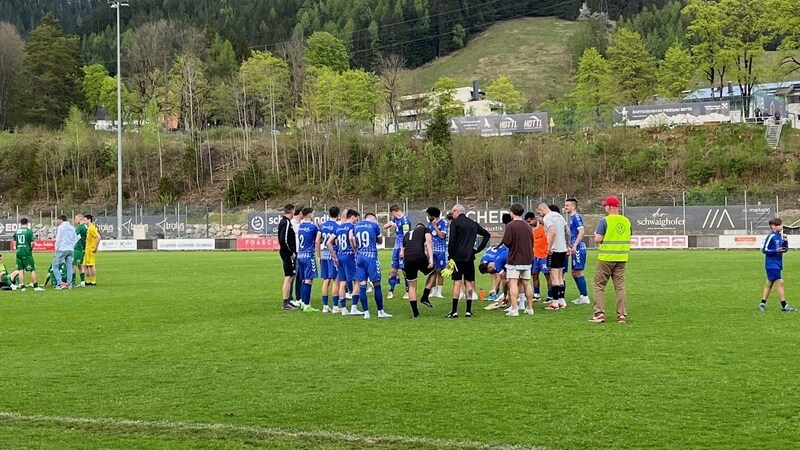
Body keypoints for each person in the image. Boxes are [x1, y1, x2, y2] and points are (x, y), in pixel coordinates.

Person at [589, 196, 632, 324]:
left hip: (606, 258)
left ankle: (599, 313)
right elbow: (629, 236)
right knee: (619, 287)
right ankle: (622, 315)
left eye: (605, 206)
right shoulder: (626, 221)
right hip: (621, 258)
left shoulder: (605, 221)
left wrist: (597, 235)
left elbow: (597, 238)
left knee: (599, 286)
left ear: (609, 207)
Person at [445, 204, 491, 318]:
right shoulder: (472, 223)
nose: (453, 216)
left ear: (456, 212)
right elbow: (486, 234)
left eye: (452, 213)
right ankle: (468, 310)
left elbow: (452, 241)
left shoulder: (455, 223)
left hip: (458, 257)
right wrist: (479, 249)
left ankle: (454, 311)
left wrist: (450, 256)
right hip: (469, 256)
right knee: (469, 282)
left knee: (457, 282)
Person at [498, 204, 534, 316]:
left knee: (513, 283)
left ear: (512, 212)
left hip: (515, 259)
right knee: (527, 284)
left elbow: (507, 242)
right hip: (527, 258)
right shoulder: (528, 226)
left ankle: (514, 309)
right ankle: (529, 308)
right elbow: (532, 241)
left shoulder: (510, 226)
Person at [354, 213, 392, 319]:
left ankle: (366, 312)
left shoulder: (357, 226)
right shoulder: (374, 225)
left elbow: (354, 241)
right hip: (371, 257)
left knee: (362, 285)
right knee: (376, 284)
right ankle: (380, 311)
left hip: (360, 257)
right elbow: (380, 241)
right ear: (373, 218)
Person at [759, 218, 796, 312]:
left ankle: (762, 304)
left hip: (778, 263)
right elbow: (764, 250)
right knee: (780, 282)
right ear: (773, 226)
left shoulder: (779, 236)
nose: (781, 226)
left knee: (769, 283)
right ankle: (784, 305)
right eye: (779, 225)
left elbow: (784, 249)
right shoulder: (771, 236)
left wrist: (785, 241)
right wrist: (775, 251)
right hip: (771, 264)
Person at [328, 209, 361, 316]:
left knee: (342, 282)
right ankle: (354, 308)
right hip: (349, 256)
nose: (356, 220)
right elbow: (351, 237)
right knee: (357, 280)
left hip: (340, 256)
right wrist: (355, 250)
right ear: (352, 217)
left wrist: (334, 256)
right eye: (356, 218)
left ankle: (343, 309)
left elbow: (328, 242)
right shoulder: (352, 227)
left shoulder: (338, 227)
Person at [401, 222, 436, 318]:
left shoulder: (407, 233)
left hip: (408, 259)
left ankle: (415, 312)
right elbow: (429, 242)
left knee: (411, 285)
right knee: (434, 271)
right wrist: (431, 259)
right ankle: (425, 296)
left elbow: (402, 252)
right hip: (419, 256)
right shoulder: (425, 229)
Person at [538, 203, 569, 310]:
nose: (540, 215)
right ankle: (562, 300)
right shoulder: (559, 216)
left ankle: (555, 303)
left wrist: (549, 247)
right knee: (560, 276)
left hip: (554, 250)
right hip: (563, 249)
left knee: (553, 276)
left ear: (542, 209)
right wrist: (567, 244)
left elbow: (552, 231)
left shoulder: (547, 217)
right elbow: (567, 231)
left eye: (539, 212)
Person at [417, 207, 448, 306]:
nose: (428, 217)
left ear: (433, 215)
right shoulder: (429, 223)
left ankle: (439, 291)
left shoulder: (443, 223)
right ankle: (433, 291)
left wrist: (435, 226)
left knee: (440, 271)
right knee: (432, 270)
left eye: (429, 215)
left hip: (441, 250)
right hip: (432, 251)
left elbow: (442, 236)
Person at [384, 205, 412, 299]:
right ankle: (391, 291)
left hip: (403, 247)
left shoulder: (405, 220)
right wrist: (390, 224)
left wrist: (402, 250)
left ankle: (408, 291)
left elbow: (406, 236)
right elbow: (386, 226)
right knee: (393, 270)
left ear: (394, 212)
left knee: (404, 270)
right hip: (396, 247)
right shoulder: (395, 219)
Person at [565, 198, 590, 305]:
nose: (565, 207)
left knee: (578, 272)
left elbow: (582, 231)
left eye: (567, 205)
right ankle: (582, 295)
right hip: (575, 247)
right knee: (574, 273)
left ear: (573, 206)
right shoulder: (571, 218)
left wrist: (575, 245)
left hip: (579, 248)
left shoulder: (576, 217)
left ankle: (585, 297)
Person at [296, 207, 320, 312]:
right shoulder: (313, 227)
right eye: (313, 214)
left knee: (303, 279)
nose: (314, 216)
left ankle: (302, 301)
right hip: (309, 255)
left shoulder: (301, 226)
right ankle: (306, 304)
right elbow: (318, 240)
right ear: (310, 215)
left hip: (300, 255)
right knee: (309, 280)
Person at [318, 206, 341, 313]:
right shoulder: (337, 226)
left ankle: (325, 306)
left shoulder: (323, 226)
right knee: (336, 280)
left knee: (326, 280)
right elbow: (336, 242)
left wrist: (318, 255)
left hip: (324, 254)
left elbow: (318, 240)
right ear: (338, 214)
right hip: (333, 254)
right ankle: (335, 306)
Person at [526, 212, 552, 303]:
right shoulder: (530, 230)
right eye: (527, 222)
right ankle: (536, 295)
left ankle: (550, 295)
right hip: (535, 256)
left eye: (530, 221)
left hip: (544, 255)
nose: (529, 223)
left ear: (534, 219)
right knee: (534, 274)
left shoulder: (543, 226)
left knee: (547, 275)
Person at [13, 218, 44, 291]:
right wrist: (30, 249)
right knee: (32, 269)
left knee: (20, 270)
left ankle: (23, 286)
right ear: (27, 223)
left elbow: (14, 243)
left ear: (20, 224)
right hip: (26, 253)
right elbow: (32, 243)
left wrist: (18, 249)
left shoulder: (17, 231)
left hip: (19, 253)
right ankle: (36, 286)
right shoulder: (29, 232)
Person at [278, 204, 299, 310]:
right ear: (291, 211)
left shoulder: (286, 222)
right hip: (288, 254)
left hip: (286, 253)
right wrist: (291, 253)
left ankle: (288, 301)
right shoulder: (286, 222)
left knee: (290, 276)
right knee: (288, 277)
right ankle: (285, 302)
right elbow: (283, 239)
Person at [52, 215, 78, 290]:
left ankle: (59, 283)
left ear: (60, 220)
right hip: (70, 249)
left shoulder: (61, 227)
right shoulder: (72, 227)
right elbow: (76, 239)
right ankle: (69, 284)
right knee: (69, 267)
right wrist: (72, 246)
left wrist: (56, 248)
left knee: (55, 266)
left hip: (62, 249)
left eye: (58, 220)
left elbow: (58, 238)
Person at [83, 214, 101, 286]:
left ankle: (93, 281)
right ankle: (88, 280)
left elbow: (98, 237)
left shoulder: (92, 228)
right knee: (86, 265)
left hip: (91, 249)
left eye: (85, 220)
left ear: (89, 220)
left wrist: (95, 247)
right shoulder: (89, 228)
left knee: (91, 265)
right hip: (87, 249)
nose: (84, 221)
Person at [291, 206, 304, 303]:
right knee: (293, 275)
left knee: (300, 276)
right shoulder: (291, 223)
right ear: (300, 213)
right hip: (294, 253)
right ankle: (290, 297)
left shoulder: (302, 224)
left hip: (302, 252)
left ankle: (299, 297)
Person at [72, 214, 87, 287]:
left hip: (78, 248)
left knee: (74, 264)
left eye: (76, 219)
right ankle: (82, 281)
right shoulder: (86, 226)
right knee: (80, 265)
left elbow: (73, 235)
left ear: (80, 219)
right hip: (84, 248)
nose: (75, 220)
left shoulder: (80, 227)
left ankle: (73, 282)